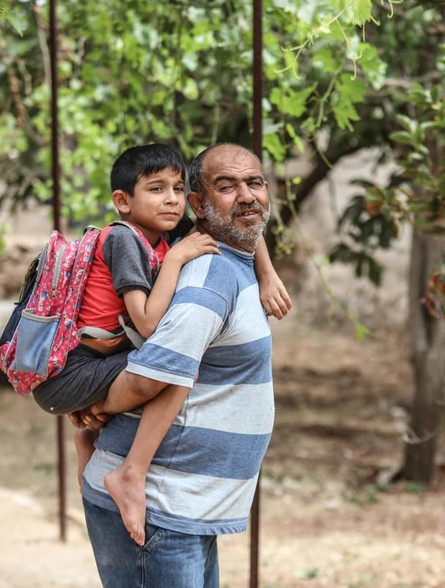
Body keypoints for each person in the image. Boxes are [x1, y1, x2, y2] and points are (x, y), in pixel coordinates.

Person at [31, 143, 291, 547]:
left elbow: (242, 220)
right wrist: (174, 262)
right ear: (123, 201)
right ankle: (129, 471)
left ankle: (89, 451)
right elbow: (150, 324)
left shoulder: (169, 231)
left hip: (96, 365)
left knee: (175, 361)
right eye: (156, 189)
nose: (170, 199)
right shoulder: (125, 241)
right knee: (179, 366)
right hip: (73, 373)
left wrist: (268, 273)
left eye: (175, 188)